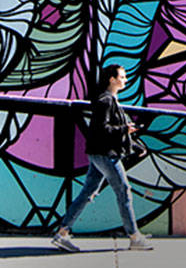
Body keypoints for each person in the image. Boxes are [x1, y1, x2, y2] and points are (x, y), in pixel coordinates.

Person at [50, 65, 153, 252]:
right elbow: (101, 129)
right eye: (122, 76)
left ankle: (62, 233)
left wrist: (135, 145)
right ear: (112, 80)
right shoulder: (105, 101)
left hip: (99, 154)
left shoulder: (110, 100)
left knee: (88, 192)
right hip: (105, 155)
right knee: (123, 191)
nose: (126, 80)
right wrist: (124, 129)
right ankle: (134, 237)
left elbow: (112, 130)